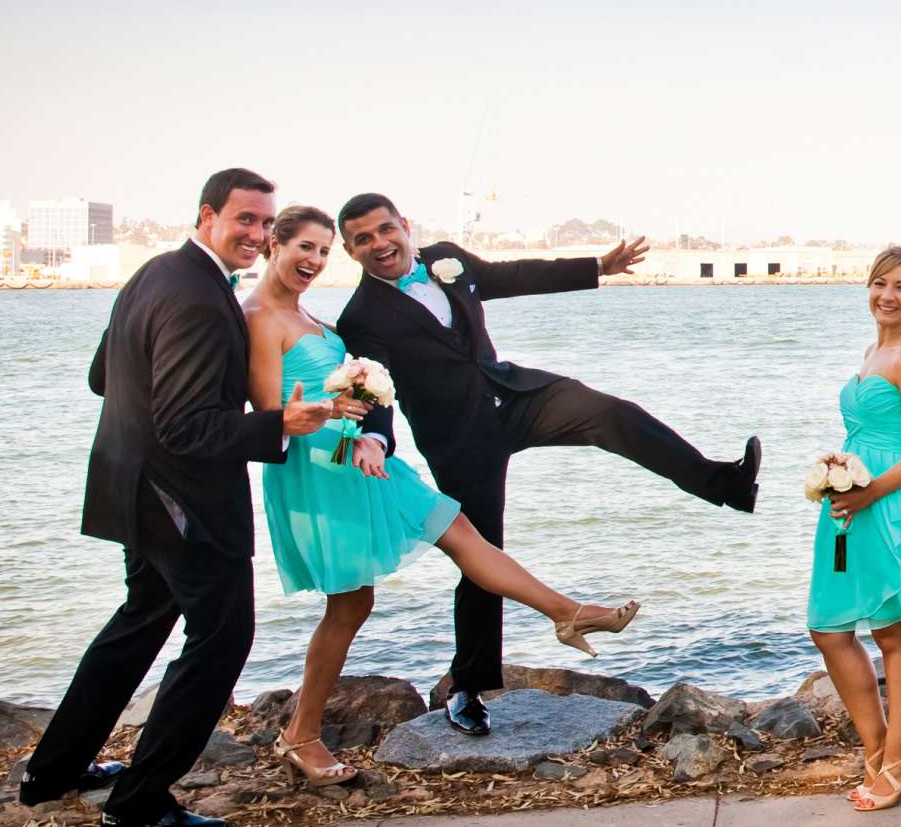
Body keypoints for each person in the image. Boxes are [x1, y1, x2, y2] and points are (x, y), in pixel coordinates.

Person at [335, 193, 761, 737]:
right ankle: (467, 686)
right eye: (363, 239)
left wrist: (597, 267)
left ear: (404, 226)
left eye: (384, 230)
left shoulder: (444, 257)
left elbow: (512, 275)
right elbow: (374, 388)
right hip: (459, 437)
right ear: (350, 251)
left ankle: (724, 482)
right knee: (484, 555)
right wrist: (374, 440)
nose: (379, 244)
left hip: (514, 394)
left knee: (610, 414)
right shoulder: (362, 316)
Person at [245, 206, 639, 785]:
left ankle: (569, 614)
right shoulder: (258, 316)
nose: (314, 260)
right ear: (273, 245)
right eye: (305, 247)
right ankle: (300, 735)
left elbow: (510, 279)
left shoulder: (301, 311)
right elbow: (269, 414)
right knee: (352, 604)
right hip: (321, 469)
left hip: (360, 459)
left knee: (459, 531)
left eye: (323, 251)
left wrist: (370, 429)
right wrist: (332, 409)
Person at [20, 169, 358, 827]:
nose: (257, 234)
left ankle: (52, 770)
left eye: (266, 223)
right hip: (184, 503)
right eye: (245, 220)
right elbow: (186, 428)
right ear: (208, 215)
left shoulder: (154, 273)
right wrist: (277, 427)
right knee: (222, 638)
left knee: (140, 621)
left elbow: (102, 375)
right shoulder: (202, 299)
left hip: (129, 488)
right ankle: (138, 802)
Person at [805, 246, 901, 812]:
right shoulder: (873, 351)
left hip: (891, 504)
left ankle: (897, 758)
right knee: (830, 627)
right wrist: (838, 474)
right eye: (879, 283)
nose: (887, 295)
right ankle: (878, 751)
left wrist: (870, 490)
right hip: (850, 502)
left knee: (892, 633)